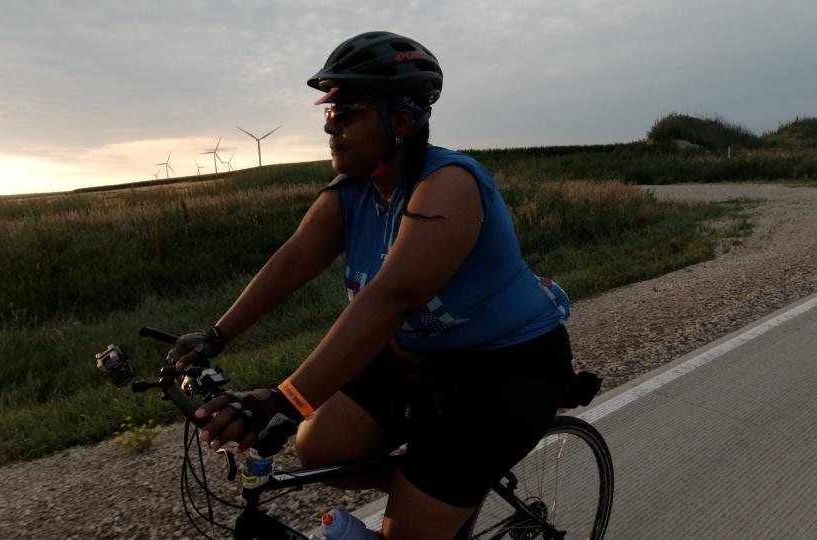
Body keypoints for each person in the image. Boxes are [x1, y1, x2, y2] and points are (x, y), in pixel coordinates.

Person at [168, 31, 584, 540]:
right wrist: (217, 334)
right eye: (328, 115)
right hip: (416, 363)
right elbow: (293, 260)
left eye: (348, 115)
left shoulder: (448, 185)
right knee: (318, 446)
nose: (331, 129)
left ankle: (441, 489)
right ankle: (441, 488)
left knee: (408, 526)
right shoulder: (352, 192)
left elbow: (391, 299)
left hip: (507, 367)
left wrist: (282, 399)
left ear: (402, 121)